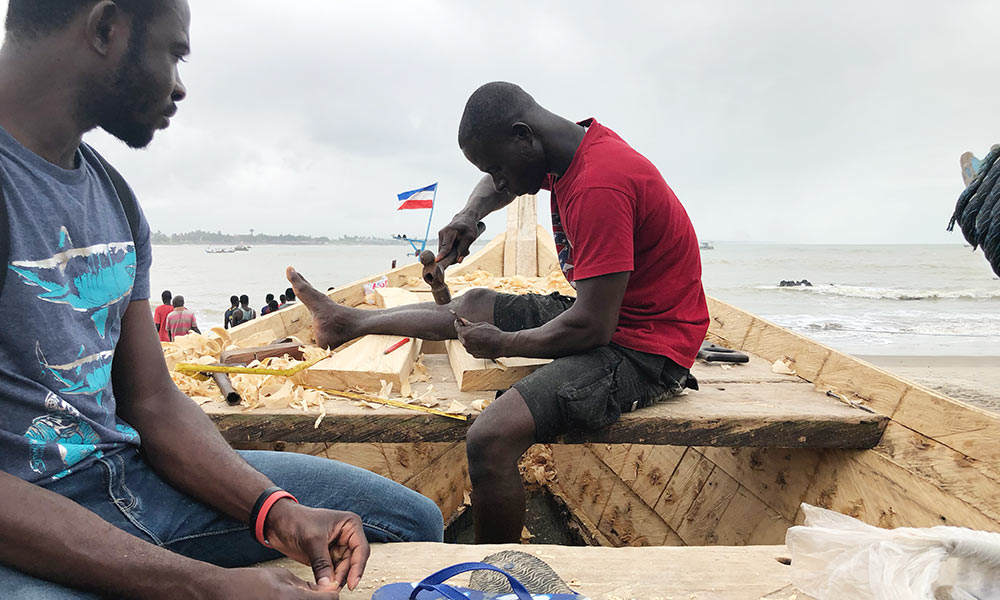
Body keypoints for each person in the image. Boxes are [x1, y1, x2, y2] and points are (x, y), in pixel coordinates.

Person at [0, 2, 442, 598]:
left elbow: (152, 401)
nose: (180, 86)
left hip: (126, 478)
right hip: (24, 523)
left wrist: (277, 513)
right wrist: (204, 586)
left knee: (410, 521)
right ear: (106, 29)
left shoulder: (113, 195)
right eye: (174, 54)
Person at [289, 81, 709, 544]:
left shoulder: (599, 184)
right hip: (615, 315)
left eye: (498, 166)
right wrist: (470, 214)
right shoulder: (566, 151)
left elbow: (592, 327)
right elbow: (495, 186)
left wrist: (502, 344)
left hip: (648, 350)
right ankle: (347, 321)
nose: (500, 181)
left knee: (490, 438)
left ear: (523, 136)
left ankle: (495, 577)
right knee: (472, 303)